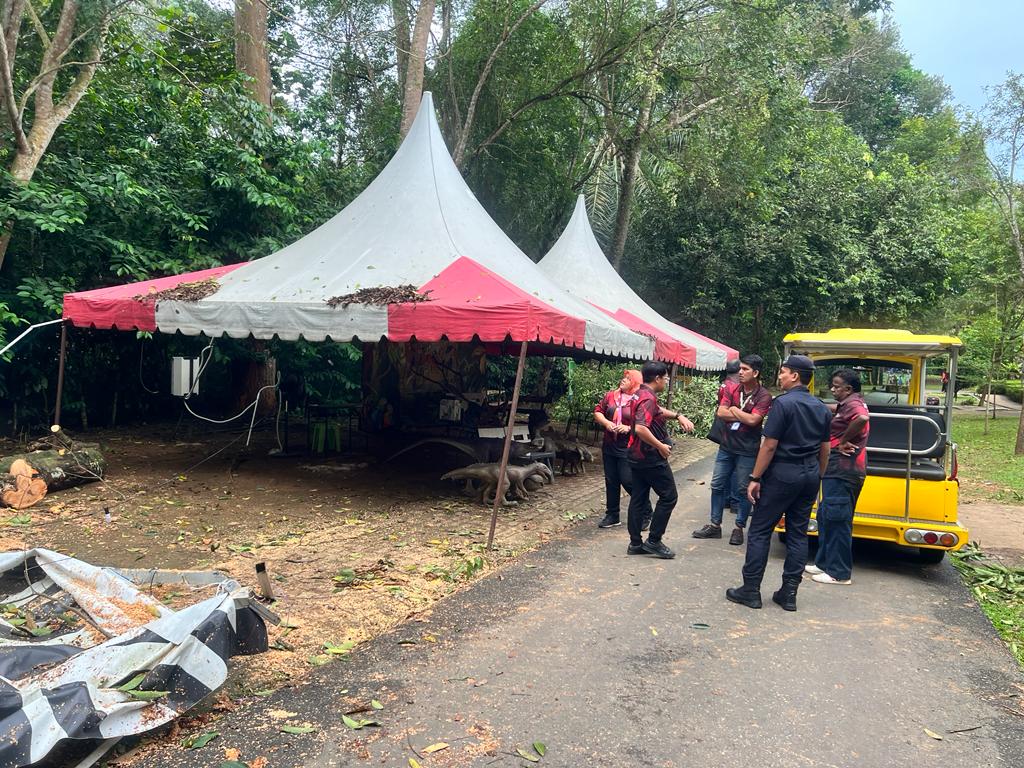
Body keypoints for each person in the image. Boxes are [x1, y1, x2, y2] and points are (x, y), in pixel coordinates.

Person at [725, 355, 831, 612]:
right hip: (809, 476)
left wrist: (755, 477)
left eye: (783, 372)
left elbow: (770, 445)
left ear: (795, 375)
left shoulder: (782, 404)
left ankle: (750, 590)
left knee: (760, 530)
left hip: (782, 474)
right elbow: (825, 448)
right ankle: (789, 593)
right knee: (797, 533)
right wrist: (818, 476)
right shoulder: (821, 407)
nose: (779, 376)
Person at [693, 354, 772, 545]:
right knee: (718, 484)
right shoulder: (734, 389)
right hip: (726, 446)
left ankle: (739, 527)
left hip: (747, 449)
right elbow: (720, 412)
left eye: (745, 369)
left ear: (756, 372)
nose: (741, 372)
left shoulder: (764, 396)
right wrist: (743, 414)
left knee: (744, 489)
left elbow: (755, 420)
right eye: (740, 369)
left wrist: (735, 411)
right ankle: (715, 525)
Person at [806, 369, 869, 585]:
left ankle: (839, 573)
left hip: (845, 471)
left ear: (848, 389)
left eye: (836, 386)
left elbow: (861, 418)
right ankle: (823, 563)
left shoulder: (854, 405)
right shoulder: (848, 403)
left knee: (838, 520)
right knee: (826, 515)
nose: (832, 389)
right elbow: (836, 410)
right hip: (836, 470)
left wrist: (843, 440)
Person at [626, 361, 695, 559]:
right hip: (650, 457)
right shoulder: (647, 398)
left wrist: (678, 415)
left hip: (636, 456)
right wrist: (660, 445)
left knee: (638, 498)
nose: (666, 381)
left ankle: (635, 543)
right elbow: (641, 427)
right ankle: (654, 541)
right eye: (665, 378)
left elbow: (656, 410)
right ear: (657, 378)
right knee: (669, 496)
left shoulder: (640, 394)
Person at [594, 369, 644, 529]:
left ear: (635, 383)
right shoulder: (611, 395)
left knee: (627, 480)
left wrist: (629, 428)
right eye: (623, 377)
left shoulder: (639, 399)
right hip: (610, 444)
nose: (623, 380)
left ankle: (645, 511)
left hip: (627, 446)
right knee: (611, 480)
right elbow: (598, 411)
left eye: (628, 379)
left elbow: (644, 422)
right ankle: (612, 515)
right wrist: (607, 423)